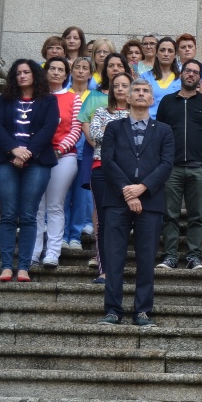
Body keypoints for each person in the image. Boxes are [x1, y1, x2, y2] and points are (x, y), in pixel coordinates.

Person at [97, 78, 174, 327]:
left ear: (152, 100)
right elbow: (107, 162)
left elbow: (166, 164)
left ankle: (142, 311)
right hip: (116, 200)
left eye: (146, 91)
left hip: (150, 200)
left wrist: (141, 189)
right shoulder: (113, 128)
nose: (141, 94)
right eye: (136, 91)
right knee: (114, 256)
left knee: (146, 257)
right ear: (127, 98)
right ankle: (113, 310)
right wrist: (127, 192)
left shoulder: (164, 130)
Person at [0, 59, 59, 283]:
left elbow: (49, 128)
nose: (22, 76)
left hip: (37, 162)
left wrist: (27, 152)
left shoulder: (48, 100)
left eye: (26, 72)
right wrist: (13, 150)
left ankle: (24, 268)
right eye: (18, 73)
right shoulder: (5, 100)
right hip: (5, 161)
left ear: (35, 75)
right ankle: (6, 267)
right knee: (9, 214)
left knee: (29, 215)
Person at [155, 58, 202, 271]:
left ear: (200, 78)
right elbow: (161, 133)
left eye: (195, 72)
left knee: (197, 216)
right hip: (171, 167)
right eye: (187, 71)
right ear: (181, 74)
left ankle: (194, 257)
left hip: (199, 166)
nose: (191, 74)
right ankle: (170, 256)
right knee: (170, 215)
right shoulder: (166, 102)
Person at [31, 56, 81, 268]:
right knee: (36, 207)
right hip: (36, 157)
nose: (56, 72)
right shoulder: (36, 97)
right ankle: (33, 252)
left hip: (63, 157)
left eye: (61, 69)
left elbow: (76, 129)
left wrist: (59, 150)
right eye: (52, 68)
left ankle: (53, 252)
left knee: (55, 205)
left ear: (66, 74)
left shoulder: (74, 98)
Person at [86, 71, 133, 281]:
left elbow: (141, 140)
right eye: (117, 86)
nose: (121, 89)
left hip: (130, 174)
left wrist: (112, 133)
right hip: (102, 170)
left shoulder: (138, 114)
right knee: (104, 222)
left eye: (125, 85)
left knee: (122, 223)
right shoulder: (101, 111)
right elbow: (95, 136)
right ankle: (105, 271)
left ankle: (118, 271)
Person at [64, 57, 94, 251]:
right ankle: (62, 235)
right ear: (71, 71)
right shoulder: (63, 94)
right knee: (63, 195)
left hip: (87, 152)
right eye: (77, 67)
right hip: (65, 153)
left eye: (85, 68)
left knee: (82, 195)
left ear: (91, 73)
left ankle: (75, 235)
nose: (81, 71)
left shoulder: (96, 97)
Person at [148, 37, 181, 119]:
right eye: (162, 50)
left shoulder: (181, 79)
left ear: (175, 55)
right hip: (150, 124)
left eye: (170, 51)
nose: (166, 54)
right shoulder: (145, 77)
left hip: (174, 124)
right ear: (156, 53)